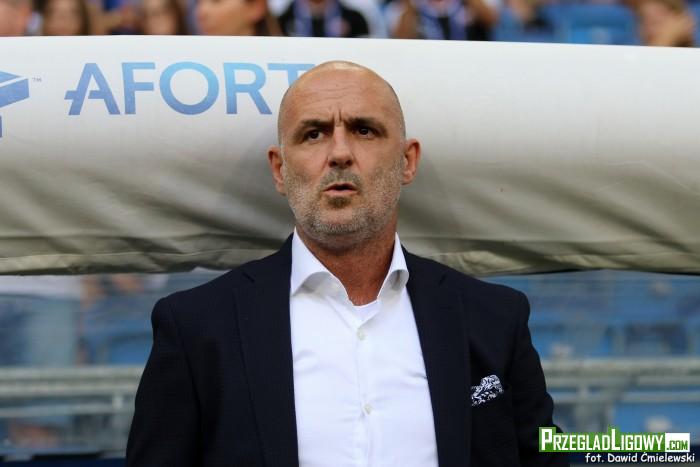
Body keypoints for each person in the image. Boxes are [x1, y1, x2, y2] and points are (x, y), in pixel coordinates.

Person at [126, 61, 568, 467]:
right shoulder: (197, 329)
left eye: (364, 130)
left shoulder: (495, 319)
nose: (339, 153)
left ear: (407, 161)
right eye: (313, 134)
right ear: (279, 170)